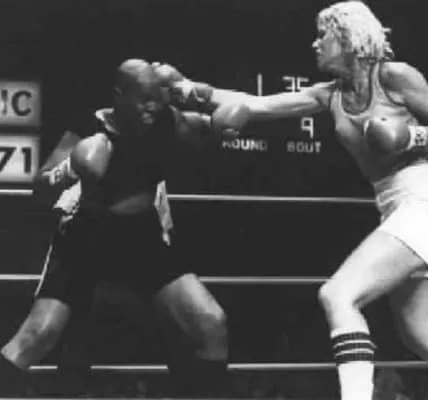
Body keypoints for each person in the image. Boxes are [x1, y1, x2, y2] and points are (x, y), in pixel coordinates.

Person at [156, 2, 428, 400]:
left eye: (322, 35)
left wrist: (413, 137)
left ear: (349, 37)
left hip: (425, 205)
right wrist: (189, 88)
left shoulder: (394, 76)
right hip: (396, 209)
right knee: (420, 334)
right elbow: (258, 104)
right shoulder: (330, 96)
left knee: (338, 294)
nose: (314, 44)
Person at [0, 58, 247, 398]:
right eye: (143, 98)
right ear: (119, 96)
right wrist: (69, 170)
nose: (151, 106)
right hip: (86, 238)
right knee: (36, 337)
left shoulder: (166, 121)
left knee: (210, 322)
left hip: (141, 239)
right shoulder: (88, 127)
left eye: (155, 98)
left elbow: (210, 127)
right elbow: (40, 189)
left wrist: (221, 124)